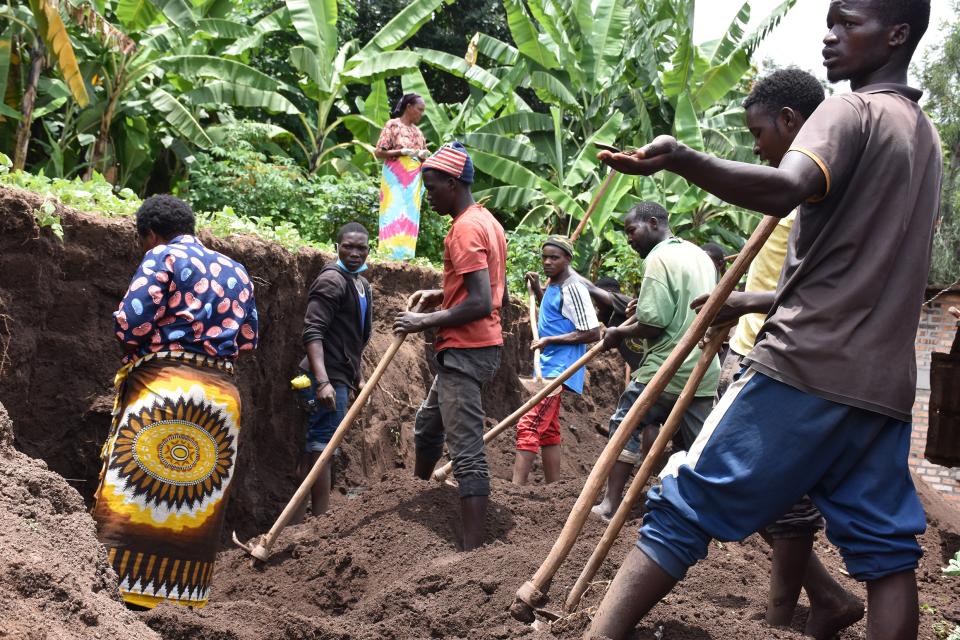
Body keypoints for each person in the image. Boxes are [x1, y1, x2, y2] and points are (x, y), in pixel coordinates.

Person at [588, 1, 939, 638]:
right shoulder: (922, 133)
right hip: (883, 383)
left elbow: (786, 186)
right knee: (887, 555)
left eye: (847, 23)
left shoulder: (848, 110)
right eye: (829, 20)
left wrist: (680, 158)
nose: (829, 37)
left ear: (896, 34)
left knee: (682, 502)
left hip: (804, 364)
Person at [717, 67, 863, 634]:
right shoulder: (796, 183)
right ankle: (824, 598)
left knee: (755, 490)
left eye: (758, 133)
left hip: (772, 357)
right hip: (748, 346)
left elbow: (821, 287)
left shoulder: (816, 187)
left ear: (789, 121)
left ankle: (783, 620)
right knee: (754, 491)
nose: (755, 145)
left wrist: (747, 303)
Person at [92, 195, 259, 609]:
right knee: (191, 504)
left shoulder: (161, 257)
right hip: (220, 400)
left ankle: (114, 595)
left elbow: (132, 322)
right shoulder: (236, 269)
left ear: (150, 234)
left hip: (165, 388)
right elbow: (248, 339)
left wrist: (141, 343)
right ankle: (179, 604)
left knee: (134, 495)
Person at [393, 142, 506, 551]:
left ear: (454, 183)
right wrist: (441, 295)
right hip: (471, 348)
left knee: (466, 449)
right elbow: (495, 295)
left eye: (433, 186)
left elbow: (479, 303)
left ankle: (472, 549)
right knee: (428, 427)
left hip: (466, 350)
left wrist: (424, 320)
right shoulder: (487, 222)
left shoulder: (465, 230)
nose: (428, 194)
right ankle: (419, 493)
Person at [591, 202, 720, 522]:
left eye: (631, 231)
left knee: (625, 426)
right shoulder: (699, 256)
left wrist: (618, 333)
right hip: (702, 370)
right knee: (702, 446)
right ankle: (712, 512)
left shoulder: (659, 258)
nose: (629, 239)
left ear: (653, 223)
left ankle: (609, 505)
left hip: (665, 368)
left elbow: (654, 323)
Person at [293, 222, 373, 519]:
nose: (354, 252)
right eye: (348, 246)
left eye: (361, 247)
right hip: (325, 377)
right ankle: (319, 520)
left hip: (341, 375)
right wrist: (323, 381)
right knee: (321, 446)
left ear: (368, 250)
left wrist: (360, 377)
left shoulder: (360, 284)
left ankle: (298, 521)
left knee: (319, 445)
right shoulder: (332, 280)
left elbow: (352, 338)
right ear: (336, 247)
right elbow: (313, 332)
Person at [512, 235, 601, 485]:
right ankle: (554, 489)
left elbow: (593, 332)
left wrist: (550, 341)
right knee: (548, 429)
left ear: (568, 259)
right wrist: (539, 289)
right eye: (544, 257)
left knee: (529, 424)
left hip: (560, 369)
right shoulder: (554, 283)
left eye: (554, 257)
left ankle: (515, 489)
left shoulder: (574, 287)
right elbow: (557, 313)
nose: (547, 262)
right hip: (548, 365)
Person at [375, 93, 430, 260]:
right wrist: (401, 152)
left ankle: (405, 255)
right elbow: (378, 152)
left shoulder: (418, 132)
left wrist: (423, 154)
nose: (421, 114)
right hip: (395, 177)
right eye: (419, 110)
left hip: (413, 179)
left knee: (409, 214)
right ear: (409, 107)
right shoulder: (393, 125)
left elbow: (422, 155)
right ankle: (387, 253)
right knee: (392, 210)